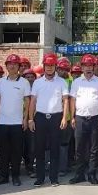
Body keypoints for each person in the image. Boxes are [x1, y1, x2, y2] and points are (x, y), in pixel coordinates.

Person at [29, 54, 68, 187]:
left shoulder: (61, 82)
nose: (49, 68)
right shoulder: (37, 82)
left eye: (52, 65)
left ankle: (53, 178)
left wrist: (64, 117)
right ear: (44, 66)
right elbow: (33, 101)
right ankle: (40, 178)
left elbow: (65, 100)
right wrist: (30, 119)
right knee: (39, 148)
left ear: (55, 66)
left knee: (55, 148)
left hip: (56, 117)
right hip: (40, 117)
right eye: (47, 65)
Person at [68, 54, 98, 185]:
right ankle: (79, 174)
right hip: (80, 118)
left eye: (91, 66)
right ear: (82, 67)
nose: (88, 68)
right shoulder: (77, 82)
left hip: (95, 118)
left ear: (94, 67)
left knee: (94, 148)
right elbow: (73, 100)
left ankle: (91, 174)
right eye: (86, 66)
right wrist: (72, 117)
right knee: (79, 148)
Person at [0, 54, 31, 186]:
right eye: (10, 64)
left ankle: (15, 176)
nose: (12, 66)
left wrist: (26, 119)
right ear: (6, 66)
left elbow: (27, 102)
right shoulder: (1, 81)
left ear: (19, 67)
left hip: (17, 122)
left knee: (16, 151)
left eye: (15, 64)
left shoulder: (24, 82)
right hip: (2, 122)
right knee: (3, 151)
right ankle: (3, 175)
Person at [22, 64, 38, 176]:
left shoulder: (37, 90)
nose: (30, 79)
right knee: (21, 145)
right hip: (21, 120)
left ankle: (30, 166)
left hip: (33, 120)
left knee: (32, 145)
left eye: (32, 77)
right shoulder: (21, 89)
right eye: (27, 77)